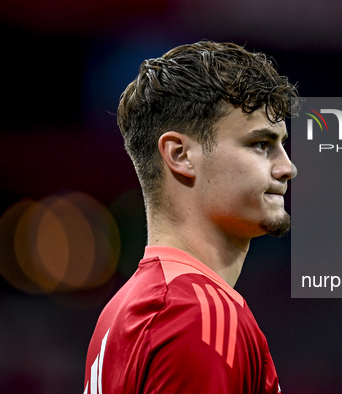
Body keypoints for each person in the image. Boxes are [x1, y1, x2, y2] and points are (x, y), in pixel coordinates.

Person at [83, 41, 298, 394]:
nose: (287, 167)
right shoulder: (199, 313)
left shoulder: (121, 311)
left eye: (282, 145)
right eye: (261, 144)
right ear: (180, 155)